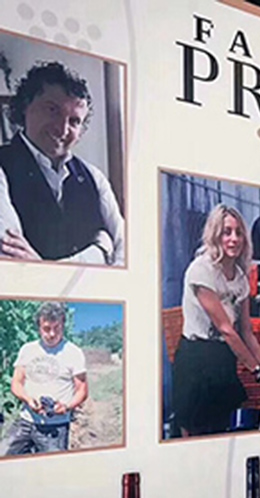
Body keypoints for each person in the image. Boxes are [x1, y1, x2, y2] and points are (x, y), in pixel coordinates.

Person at [0, 61, 124, 265]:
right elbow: (12, 260)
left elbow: (125, 254)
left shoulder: (95, 177)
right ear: (25, 107)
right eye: (52, 110)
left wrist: (42, 267)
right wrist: (100, 250)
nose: (62, 128)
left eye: (74, 121)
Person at [172, 205, 260, 437]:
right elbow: (227, 330)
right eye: (227, 232)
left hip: (223, 360)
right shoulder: (201, 271)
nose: (234, 239)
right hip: (196, 361)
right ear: (215, 235)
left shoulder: (240, 278)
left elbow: (246, 332)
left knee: (220, 434)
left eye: (239, 232)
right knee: (194, 438)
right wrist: (259, 375)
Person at [5, 301, 88, 455]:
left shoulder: (74, 353)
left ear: (63, 326)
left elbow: (82, 391)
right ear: (39, 327)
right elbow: (16, 383)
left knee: (53, 466)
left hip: (55, 428)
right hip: (25, 421)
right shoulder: (27, 350)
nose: (52, 334)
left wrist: (66, 407)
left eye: (57, 328)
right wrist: (28, 400)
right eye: (46, 329)